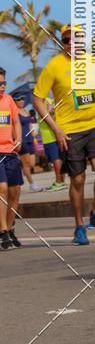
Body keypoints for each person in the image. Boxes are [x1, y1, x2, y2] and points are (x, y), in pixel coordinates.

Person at [32, 25, 95, 244]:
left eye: (76, 39)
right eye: (67, 40)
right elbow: (37, 100)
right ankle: (79, 225)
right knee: (77, 180)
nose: (72, 44)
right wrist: (55, 127)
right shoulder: (54, 66)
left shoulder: (93, 62)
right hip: (69, 130)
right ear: (62, 43)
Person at [0, 69, 23, 249]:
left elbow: (15, 122)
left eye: (4, 83)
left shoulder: (8, 100)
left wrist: (19, 138)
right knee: (2, 189)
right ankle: (3, 230)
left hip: (10, 152)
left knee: (15, 190)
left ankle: (9, 226)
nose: (2, 87)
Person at [14, 93, 41, 192]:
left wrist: (34, 138)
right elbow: (14, 126)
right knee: (26, 163)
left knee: (32, 164)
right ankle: (32, 184)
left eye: (22, 99)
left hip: (29, 138)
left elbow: (30, 125)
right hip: (22, 140)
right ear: (14, 101)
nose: (21, 101)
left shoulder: (26, 111)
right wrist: (17, 140)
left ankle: (19, 172)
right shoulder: (14, 112)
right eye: (18, 99)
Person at [37, 101, 67, 190]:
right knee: (59, 158)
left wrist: (49, 110)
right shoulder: (50, 100)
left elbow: (47, 117)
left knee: (56, 159)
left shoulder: (41, 101)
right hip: (56, 134)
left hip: (49, 136)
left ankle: (59, 182)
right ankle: (62, 181)